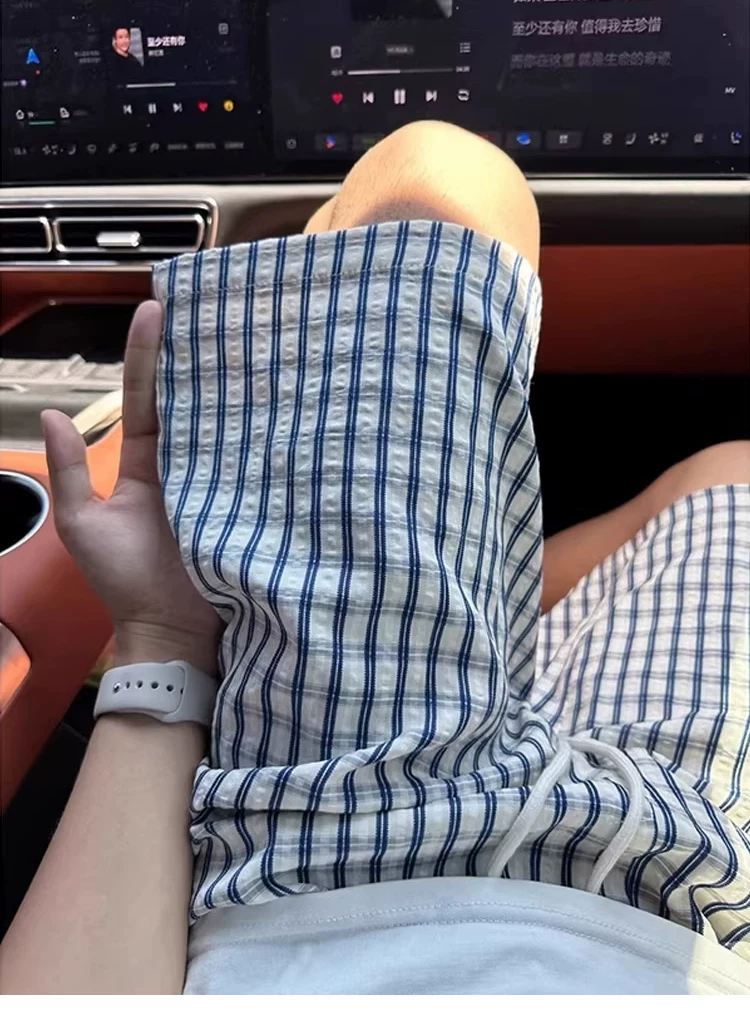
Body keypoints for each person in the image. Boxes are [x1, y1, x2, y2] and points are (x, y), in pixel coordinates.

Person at [1, 121, 749, 995]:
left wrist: (162, 640)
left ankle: (489, 649)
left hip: (335, 868)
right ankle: (494, 652)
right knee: (726, 471)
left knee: (439, 175)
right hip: (691, 909)